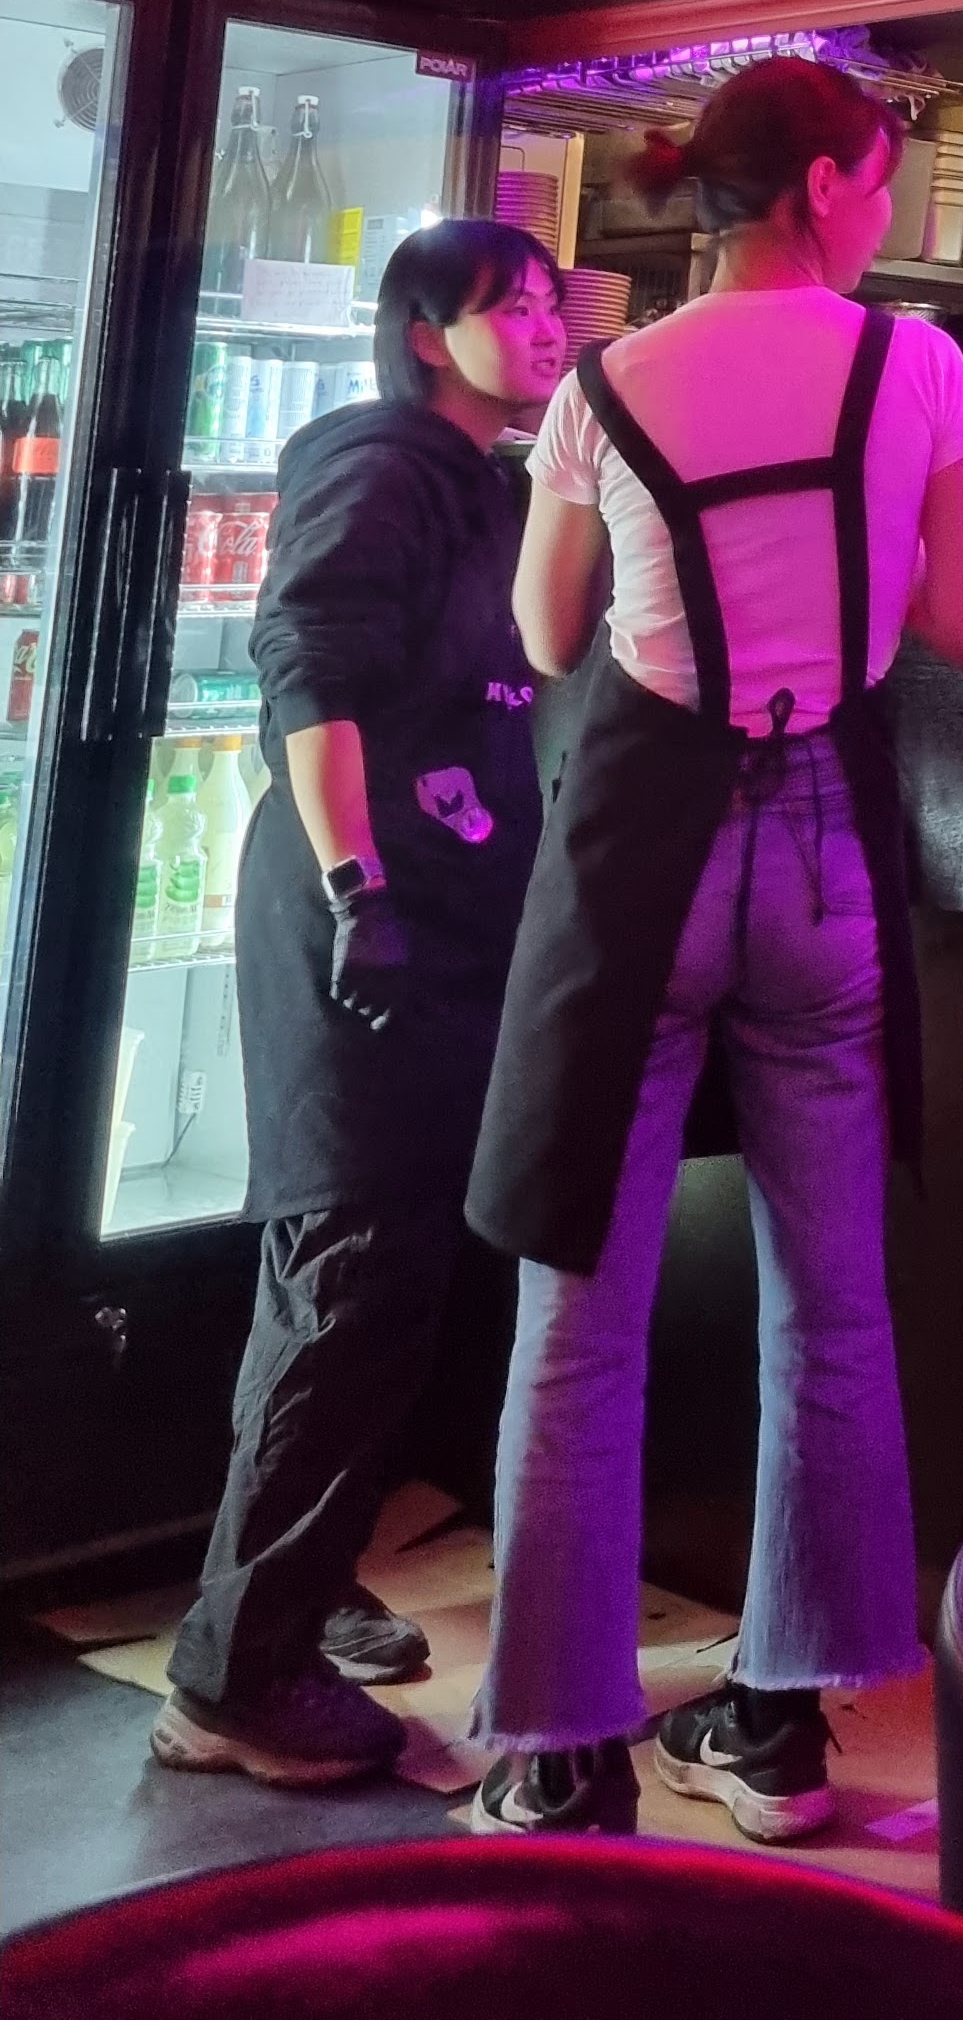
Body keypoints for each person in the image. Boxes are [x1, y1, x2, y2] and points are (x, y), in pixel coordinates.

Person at [464, 60, 963, 1840]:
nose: (888, 209)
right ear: (826, 187)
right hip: (824, 855)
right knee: (830, 1299)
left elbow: (548, 632)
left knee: (581, 1302)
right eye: (883, 179)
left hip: (643, 864)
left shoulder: (607, 380)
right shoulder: (912, 366)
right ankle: (777, 1735)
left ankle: (558, 1751)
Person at [153, 221, 569, 1789]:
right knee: (348, 1273)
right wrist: (358, 890)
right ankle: (233, 1680)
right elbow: (307, 673)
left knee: (380, 1281)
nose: (545, 326)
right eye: (509, 306)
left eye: (552, 302)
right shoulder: (380, 462)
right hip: (365, 919)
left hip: (448, 917)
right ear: (423, 332)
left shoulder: (490, 480)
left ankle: (298, 1593)